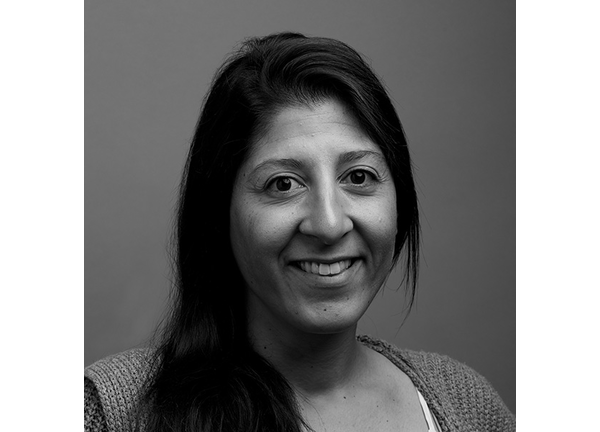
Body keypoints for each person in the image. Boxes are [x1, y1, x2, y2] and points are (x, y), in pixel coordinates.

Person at [85, 32, 515, 432]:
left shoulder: (469, 408)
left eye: (359, 177)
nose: (329, 224)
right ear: (219, 212)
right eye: (283, 184)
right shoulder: (109, 413)